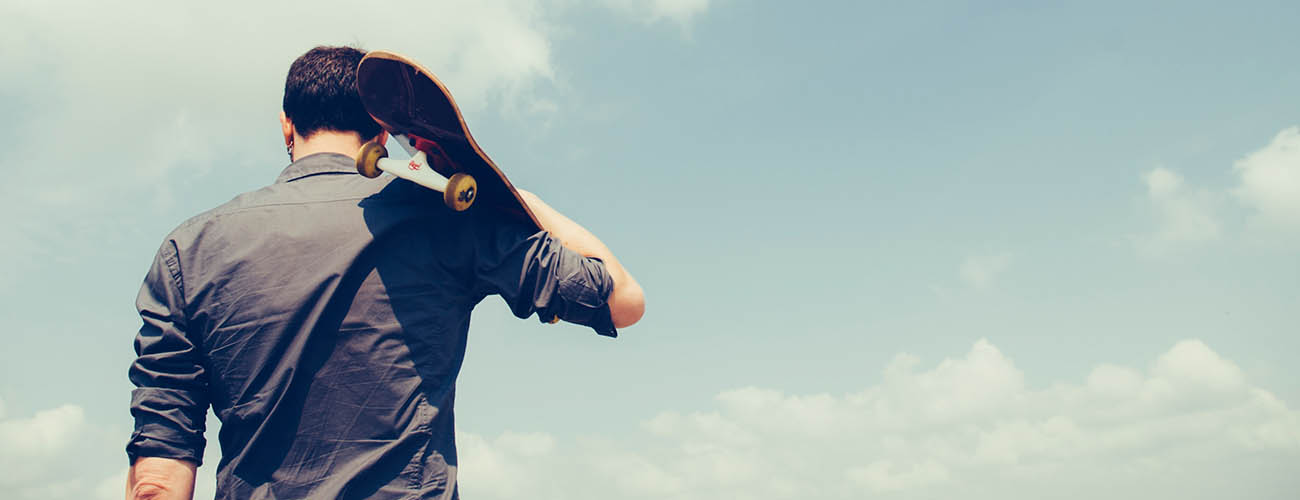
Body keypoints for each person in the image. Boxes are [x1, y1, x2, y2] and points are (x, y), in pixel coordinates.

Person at [124, 46, 645, 500]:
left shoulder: (188, 251)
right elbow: (622, 299)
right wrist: (515, 198)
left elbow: (159, 470)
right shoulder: (447, 218)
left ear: (287, 123)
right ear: (382, 126)